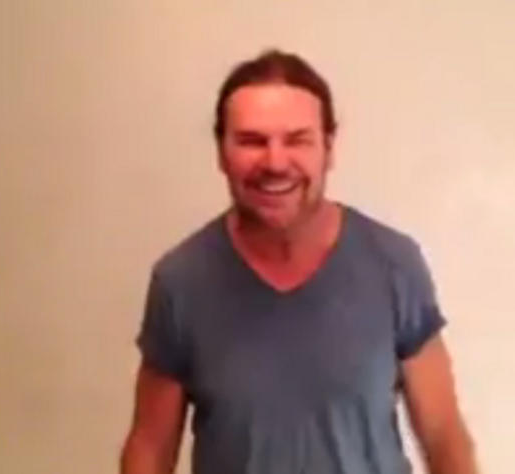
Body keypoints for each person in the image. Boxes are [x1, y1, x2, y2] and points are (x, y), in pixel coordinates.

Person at [120, 49, 477, 474]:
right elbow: (150, 449)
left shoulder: (394, 264)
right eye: (252, 141)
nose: (275, 162)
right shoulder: (180, 283)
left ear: (328, 148)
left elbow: (443, 435)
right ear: (221, 152)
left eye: (297, 140)